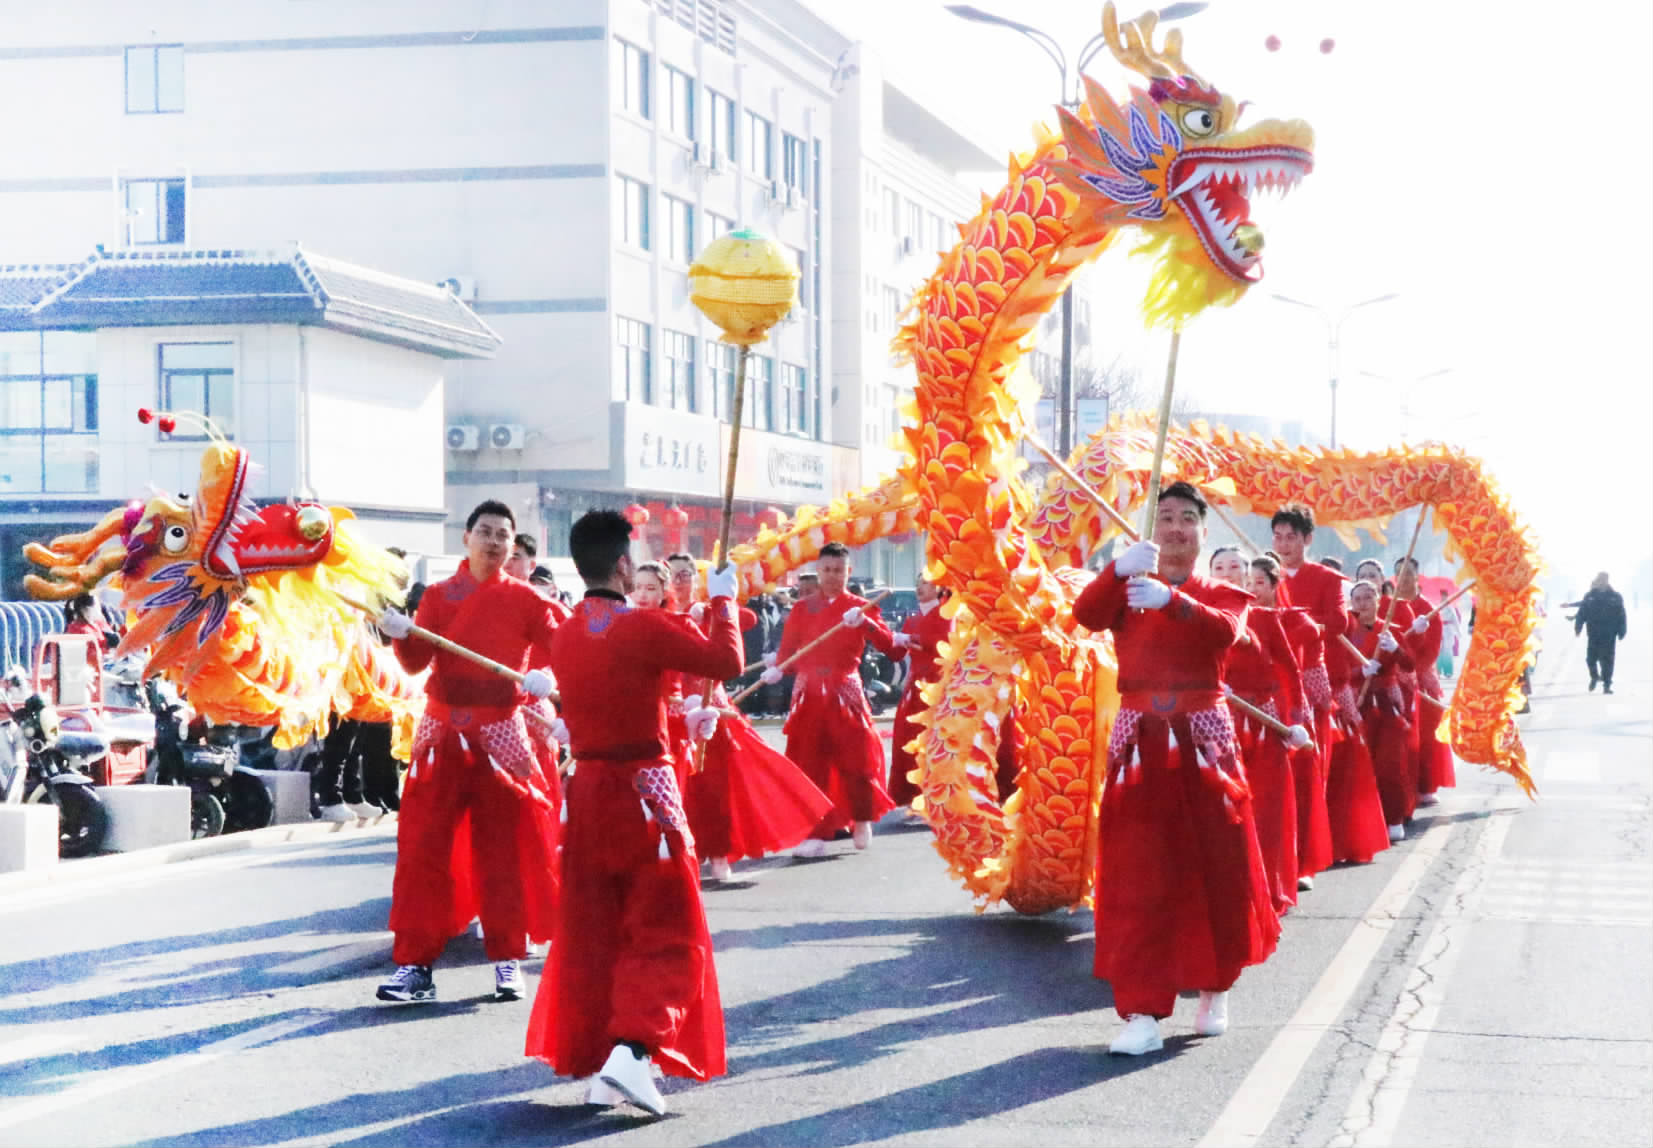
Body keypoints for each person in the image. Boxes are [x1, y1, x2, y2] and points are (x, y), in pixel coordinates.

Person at [524, 510, 737, 1116]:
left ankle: (608, 1058)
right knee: (669, 926)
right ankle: (635, 1049)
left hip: (588, 791)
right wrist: (722, 601)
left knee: (601, 928)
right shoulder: (641, 628)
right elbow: (724, 660)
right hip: (646, 792)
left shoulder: (564, 633)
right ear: (623, 565)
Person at [1073, 482, 1281, 1056]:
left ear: (1202, 531)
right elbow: (1085, 616)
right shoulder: (1129, 588)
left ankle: (1215, 988)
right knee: (1137, 873)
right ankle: (1141, 1010)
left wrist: (1174, 602)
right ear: (1150, 527)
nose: (1174, 528)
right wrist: (1116, 571)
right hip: (1139, 741)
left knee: (1216, 865)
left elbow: (1226, 632)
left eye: (1186, 519)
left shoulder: (1225, 593)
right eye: (1163, 518)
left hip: (1205, 742)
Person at [371, 500, 563, 1006]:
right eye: (485, 532)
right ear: (466, 538)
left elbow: (561, 650)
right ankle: (414, 965)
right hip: (441, 730)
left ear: (514, 545)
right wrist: (398, 634)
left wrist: (549, 678)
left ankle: (506, 957)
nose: (494, 541)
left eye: (504, 535)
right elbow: (414, 663)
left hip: (501, 731)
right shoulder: (439, 595)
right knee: (422, 850)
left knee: (502, 849)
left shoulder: (527, 600)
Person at [760, 542, 897, 857]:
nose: (833, 576)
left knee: (858, 762)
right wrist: (777, 670)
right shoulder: (801, 608)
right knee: (809, 765)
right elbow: (789, 654)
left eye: (839, 570)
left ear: (848, 572)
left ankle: (861, 818)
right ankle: (815, 833)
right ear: (817, 571)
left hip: (845, 692)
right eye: (827, 570)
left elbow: (893, 648)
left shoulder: (863, 606)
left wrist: (866, 623)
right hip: (809, 694)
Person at [1210, 548, 1310, 915]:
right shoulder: (1200, 615)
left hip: (1265, 725)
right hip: (1216, 725)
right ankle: (1227, 888)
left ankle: (1267, 889)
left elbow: (1291, 671)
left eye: (1235, 567)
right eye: (1219, 567)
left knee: (1267, 809)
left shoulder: (1265, 619)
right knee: (1223, 809)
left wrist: (1296, 719)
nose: (1228, 573)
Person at [1250, 555, 1334, 887]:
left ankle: (1299, 865)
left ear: (1274, 585)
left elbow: (1308, 669)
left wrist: (1310, 710)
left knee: (1293, 789)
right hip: (1239, 710)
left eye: (1259, 583)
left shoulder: (1298, 624)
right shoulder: (1227, 616)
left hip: (1285, 711)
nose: (1251, 589)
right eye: (1248, 582)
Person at [1347, 581, 1415, 841]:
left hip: (1387, 703)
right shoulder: (1346, 631)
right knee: (1362, 764)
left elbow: (1409, 665)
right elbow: (1336, 670)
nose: (1363, 604)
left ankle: (1394, 817)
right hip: (1356, 703)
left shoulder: (1391, 630)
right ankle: (1364, 821)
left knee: (1390, 763)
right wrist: (1358, 672)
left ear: (1378, 601)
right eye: (1358, 599)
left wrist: (1395, 649)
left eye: (1368, 598)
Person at [886, 577, 951, 816]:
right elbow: (894, 653)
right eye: (918, 583)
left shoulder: (947, 614)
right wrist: (871, 627)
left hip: (938, 687)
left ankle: (937, 796)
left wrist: (911, 640)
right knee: (908, 740)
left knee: (934, 742)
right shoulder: (912, 619)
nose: (919, 587)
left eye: (926, 582)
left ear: (941, 587)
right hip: (914, 687)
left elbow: (939, 644)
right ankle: (914, 795)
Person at [1395, 557, 1454, 805]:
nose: (1404, 578)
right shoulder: (1391, 607)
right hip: (1394, 674)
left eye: (1408, 573)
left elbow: (1432, 649)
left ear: (1416, 576)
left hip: (1421, 679)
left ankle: (1426, 784)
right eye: (1399, 573)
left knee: (1427, 735)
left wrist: (1412, 674)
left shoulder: (1430, 610)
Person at [1571, 573, 1627, 694]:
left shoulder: (1615, 597)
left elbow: (1621, 615)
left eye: (1604, 579)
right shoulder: (1590, 596)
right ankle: (1594, 676)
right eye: (1600, 579)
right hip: (1593, 633)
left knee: (1607, 660)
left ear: (1607, 580)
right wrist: (1578, 627)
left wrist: (1622, 630)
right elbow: (1582, 613)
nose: (1602, 581)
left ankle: (1607, 684)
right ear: (1597, 580)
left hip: (1609, 634)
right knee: (1590, 659)